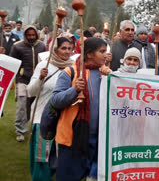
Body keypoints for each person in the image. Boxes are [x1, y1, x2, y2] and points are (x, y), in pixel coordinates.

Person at [50, 38, 111, 181]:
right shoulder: (70, 72)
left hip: (99, 140)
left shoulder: (106, 73)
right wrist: (74, 90)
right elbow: (55, 101)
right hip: (72, 139)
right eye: (102, 51)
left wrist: (111, 78)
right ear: (89, 54)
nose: (105, 55)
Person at [27, 37, 74, 181]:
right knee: (42, 157)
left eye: (69, 48)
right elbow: (30, 91)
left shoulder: (74, 67)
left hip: (65, 118)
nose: (67, 52)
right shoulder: (44, 65)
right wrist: (41, 78)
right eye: (63, 48)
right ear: (55, 49)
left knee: (59, 156)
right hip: (43, 117)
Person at [10, 25, 46, 142]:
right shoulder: (17, 46)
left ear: (36, 35)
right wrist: (14, 79)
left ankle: (32, 128)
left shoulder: (42, 46)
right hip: (23, 80)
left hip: (37, 81)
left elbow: (45, 62)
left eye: (33, 35)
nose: (31, 37)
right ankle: (20, 131)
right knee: (22, 106)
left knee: (33, 106)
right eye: (28, 35)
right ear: (25, 35)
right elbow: (13, 64)